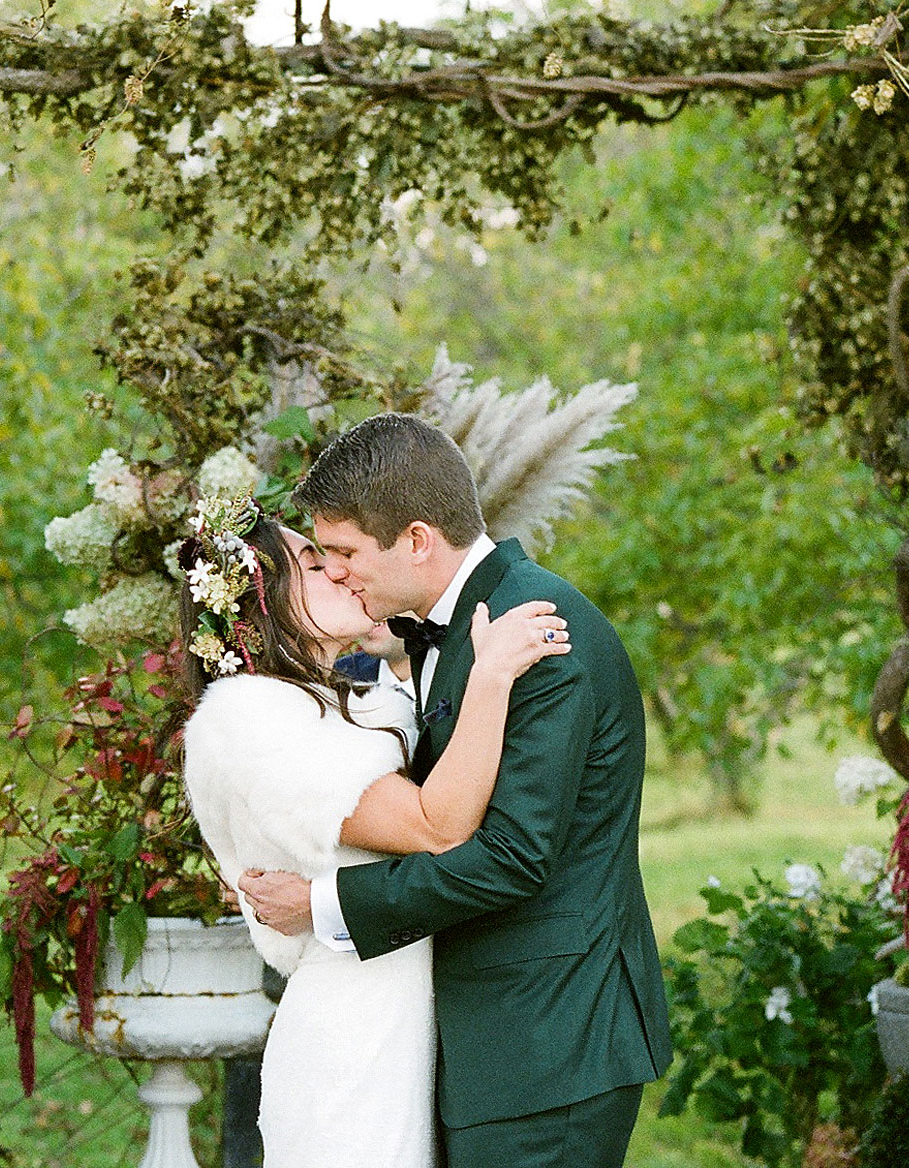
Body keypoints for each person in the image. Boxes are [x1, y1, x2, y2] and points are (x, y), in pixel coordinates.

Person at [237, 412, 670, 1168]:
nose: (334, 572)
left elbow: (512, 856)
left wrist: (321, 905)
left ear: (415, 540)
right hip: (490, 1040)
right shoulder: (451, 633)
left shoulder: (540, 634)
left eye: (343, 552)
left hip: (548, 1042)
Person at [180, 493, 570, 1168]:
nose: (337, 570)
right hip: (348, 1043)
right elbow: (437, 826)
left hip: (407, 1026)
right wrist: (492, 676)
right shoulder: (248, 718)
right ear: (260, 602)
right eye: (312, 561)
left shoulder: (351, 696)